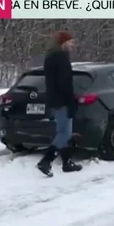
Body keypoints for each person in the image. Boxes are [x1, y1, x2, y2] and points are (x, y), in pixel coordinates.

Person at [36, 30, 83, 176]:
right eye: (70, 42)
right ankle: (46, 161)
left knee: (63, 131)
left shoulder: (50, 57)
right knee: (64, 133)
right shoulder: (61, 57)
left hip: (54, 99)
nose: (72, 45)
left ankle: (66, 162)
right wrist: (70, 102)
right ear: (63, 43)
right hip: (61, 100)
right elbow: (65, 83)